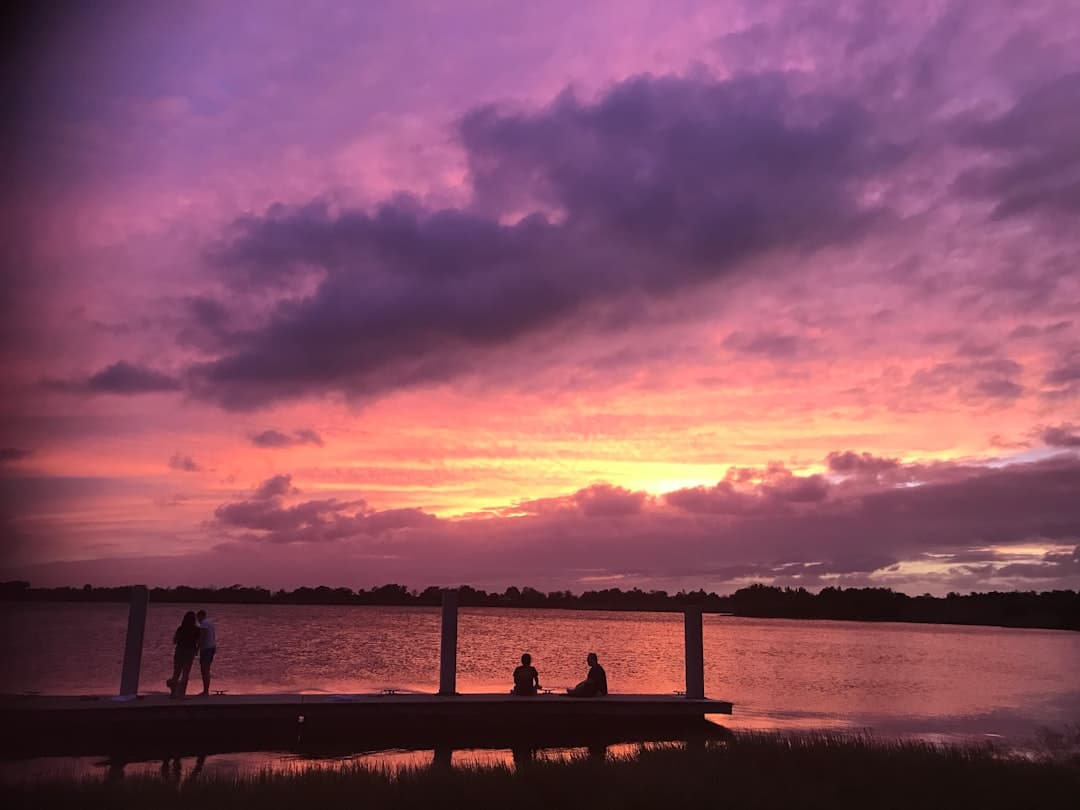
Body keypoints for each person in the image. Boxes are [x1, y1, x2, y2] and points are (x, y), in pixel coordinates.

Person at [167, 611, 200, 698]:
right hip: (190, 652)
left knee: (176, 672)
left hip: (179, 651)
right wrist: (197, 650)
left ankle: (173, 693)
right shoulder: (196, 629)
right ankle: (182, 694)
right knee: (186, 673)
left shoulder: (181, 628)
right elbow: (199, 642)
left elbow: (175, 640)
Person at [196, 609, 217, 696]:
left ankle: (205, 691)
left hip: (206, 649)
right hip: (212, 647)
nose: (197, 619)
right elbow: (213, 635)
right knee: (206, 669)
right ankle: (205, 690)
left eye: (198, 617)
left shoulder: (203, 624)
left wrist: (197, 649)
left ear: (201, 616)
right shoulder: (210, 623)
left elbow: (202, 637)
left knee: (205, 670)